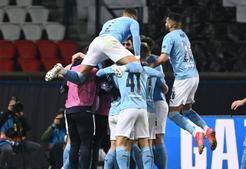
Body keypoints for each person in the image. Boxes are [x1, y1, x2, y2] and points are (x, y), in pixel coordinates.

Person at [151, 12, 217, 154]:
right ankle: (207, 129)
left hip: (183, 78)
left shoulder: (169, 37)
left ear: (171, 22)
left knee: (173, 114)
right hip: (194, 75)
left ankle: (196, 132)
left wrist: (149, 66)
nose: (165, 23)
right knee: (187, 110)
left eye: (166, 21)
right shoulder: (183, 35)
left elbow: (163, 58)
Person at [45, 8, 143, 84]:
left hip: (96, 42)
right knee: (136, 65)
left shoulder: (109, 22)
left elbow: (104, 47)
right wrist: (137, 56)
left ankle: (62, 70)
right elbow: (136, 37)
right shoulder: (132, 21)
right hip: (110, 41)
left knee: (79, 77)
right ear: (133, 17)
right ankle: (115, 69)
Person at [64, 56, 98, 169]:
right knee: (86, 144)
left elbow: (62, 75)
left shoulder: (71, 71)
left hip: (69, 110)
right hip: (84, 109)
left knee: (74, 144)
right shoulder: (93, 70)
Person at [141, 40, 169, 169]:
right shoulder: (154, 61)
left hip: (155, 103)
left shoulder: (153, 61)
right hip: (154, 104)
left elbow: (164, 88)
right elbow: (164, 87)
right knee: (154, 139)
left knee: (151, 140)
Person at [0, 96, 47, 168]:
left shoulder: (19, 116)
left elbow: (28, 128)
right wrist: (8, 111)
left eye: (15, 105)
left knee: (37, 148)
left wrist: (21, 116)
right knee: (7, 149)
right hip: (5, 142)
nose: (13, 107)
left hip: (19, 143)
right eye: (12, 105)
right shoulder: (4, 115)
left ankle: (29, 167)